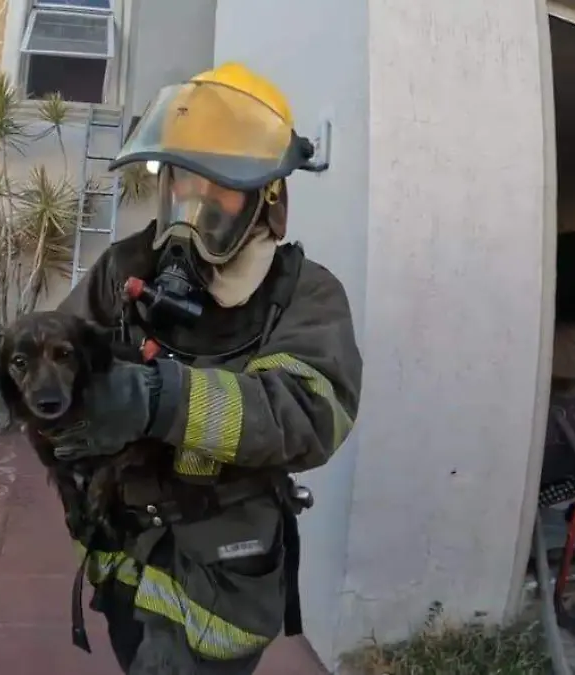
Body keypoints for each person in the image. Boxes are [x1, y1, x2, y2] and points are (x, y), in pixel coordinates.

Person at [51, 62, 363, 674]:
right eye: (184, 178)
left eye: (220, 184)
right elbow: (60, 353)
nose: (196, 200)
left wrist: (161, 400)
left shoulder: (305, 294)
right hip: (126, 560)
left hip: (223, 581)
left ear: (266, 198)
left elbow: (307, 412)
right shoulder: (124, 269)